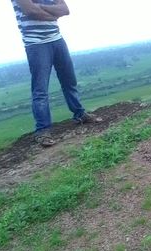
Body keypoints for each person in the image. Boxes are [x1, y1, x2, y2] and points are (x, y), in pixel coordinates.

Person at [11, 0, 99, 147]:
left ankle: (80, 114)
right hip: (36, 43)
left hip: (57, 39)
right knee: (40, 90)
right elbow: (30, 11)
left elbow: (64, 9)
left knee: (69, 80)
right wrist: (52, 13)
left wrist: (41, 8)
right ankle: (43, 130)